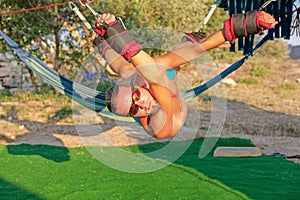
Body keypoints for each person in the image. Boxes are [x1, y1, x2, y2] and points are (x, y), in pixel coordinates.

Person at [91, 11, 277, 139]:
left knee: (130, 69)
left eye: (136, 97)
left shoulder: (137, 80)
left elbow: (120, 66)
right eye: (134, 110)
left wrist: (101, 42)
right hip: (167, 96)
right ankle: (191, 41)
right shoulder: (160, 125)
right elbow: (161, 70)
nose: (141, 105)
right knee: (157, 67)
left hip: (153, 75)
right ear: (132, 115)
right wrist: (235, 29)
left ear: (136, 88)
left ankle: (187, 42)